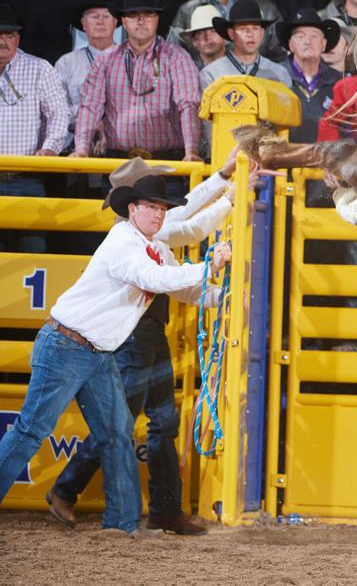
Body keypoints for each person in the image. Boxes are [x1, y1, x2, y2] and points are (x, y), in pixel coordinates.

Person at [0, 174, 231, 536]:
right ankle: (118, 519)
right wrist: (208, 266)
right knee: (34, 429)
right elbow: (155, 279)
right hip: (67, 345)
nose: (158, 215)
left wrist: (224, 297)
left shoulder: (154, 248)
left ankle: (122, 526)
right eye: (151, 207)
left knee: (118, 432)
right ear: (133, 209)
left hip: (96, 351)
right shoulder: (124, 243)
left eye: (161, 208)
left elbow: (184, 289)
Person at [72, 0, 203, 163]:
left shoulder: (177, 58)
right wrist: (81, 150)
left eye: (148, 14)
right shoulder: (105, 60)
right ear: (123, 22)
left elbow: (188, 106)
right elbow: (90, 107)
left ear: (157, 19)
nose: (141, 20)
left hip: (167, 162)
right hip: (116, 162)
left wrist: (192, 151)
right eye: (133, 15)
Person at [0, 3, 70, 256]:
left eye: (9, 35)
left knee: (32, 253)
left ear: (18, 38)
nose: (3, 41)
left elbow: (60, 113)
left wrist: (50, 147)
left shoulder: (40, 68)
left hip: (26, 178)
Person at [55, 0, 119, 126]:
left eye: (106, 16)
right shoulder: (66, 63)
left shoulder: (131, 60)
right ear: (83, 24)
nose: (100, 21)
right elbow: (58, 109)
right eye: (94, 16)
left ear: (115, 23)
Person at [278, 9, 341, 142]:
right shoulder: (276, 77)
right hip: (284, 158)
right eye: (300, 36)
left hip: (326, 158)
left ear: (323, 44)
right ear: (291, 45)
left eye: (314, 36)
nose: (308, 41)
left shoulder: (339, 82)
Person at [200, 0, 291, 90]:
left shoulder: (279, 74)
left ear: (261, 33)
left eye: (255, 28)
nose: (250, 34)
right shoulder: (212, 74)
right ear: (231, 34)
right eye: (243, 28)